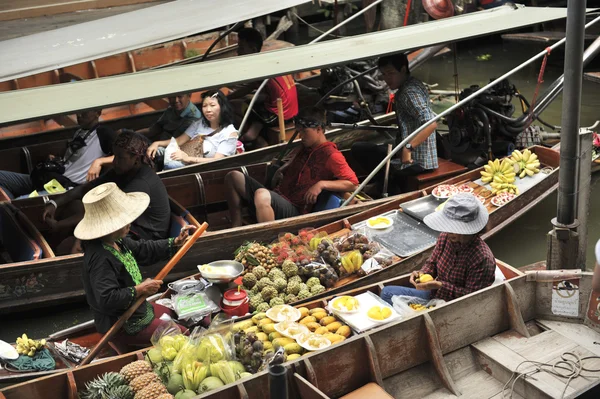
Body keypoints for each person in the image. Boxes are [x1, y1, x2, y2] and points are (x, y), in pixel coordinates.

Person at [75, 182, 193, 345]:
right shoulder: (100, 257)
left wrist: (175, 242)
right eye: (123, 221)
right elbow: (107, 298)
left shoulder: (119, 241)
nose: (129, 224)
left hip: (138, 308)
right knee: (181, 333)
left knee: (181, 311)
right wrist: (140, 289)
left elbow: (144, 249)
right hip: (122, 324)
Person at [224, 107, 358, 227]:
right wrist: (281, 169)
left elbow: (352, 183)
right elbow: (292, 163)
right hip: (279, 194)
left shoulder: (331, 155)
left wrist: (321, 184)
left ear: (319, 129)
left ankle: (269, 241)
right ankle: (236, 227)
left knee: (261, 195)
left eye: (304, 132)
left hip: (295, 209)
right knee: (233, 176)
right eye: (299, 131)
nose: (301, 136)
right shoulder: (305, 147)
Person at [43, 131, 171, 252]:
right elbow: (85, 188)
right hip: (125, 226)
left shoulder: (141, 183)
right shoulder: (121, 170)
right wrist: (54, 204)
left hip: (145, 237)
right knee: (75, 206)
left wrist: (63, 227)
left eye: (120, 158)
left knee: (84, 244)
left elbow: (107, 217)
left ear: (136, 159)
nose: (114, 162)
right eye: (114, 156)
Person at [380, 193, 495, 305]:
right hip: (435, 294)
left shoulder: (482, 259)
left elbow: (473, 298)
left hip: (456, 306)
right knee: (386, 293)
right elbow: (432, 263)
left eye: (455, 228)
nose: (449, 231)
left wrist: (440, 285)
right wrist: (422, 274)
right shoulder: (445, 237)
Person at [351, 53, 438, 194]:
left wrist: (408, 148)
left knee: (359, 149)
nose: (387, 78)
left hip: (417, 161)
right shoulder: (413, 83)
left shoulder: (409, 92)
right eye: (384, 74)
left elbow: (431, 123)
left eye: (391, 73)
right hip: (416, 152)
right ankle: (384, 184)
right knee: (376, 148)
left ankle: (390, 190)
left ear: (403, 69)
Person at [0, 110, 116, 199]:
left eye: (84, 112)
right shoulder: (80, 131)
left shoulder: (104, 133)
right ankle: (11, 203)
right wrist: (57, 160)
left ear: (98, 113)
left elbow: (123, 154)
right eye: (78, 112)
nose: (79, 115)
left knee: (17, 203)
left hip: (65, 187)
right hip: (51, 178)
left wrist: (99, 161)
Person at [227, 28, 299, 149]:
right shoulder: (267, 60)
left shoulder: (257, 67)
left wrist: (226, 98)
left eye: (241, 47)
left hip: (279, 114)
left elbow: (248, 88)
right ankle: (257, 127)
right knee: (253, 101)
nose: (238, 52)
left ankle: (253, 137)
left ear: (253, 50)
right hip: (292, 110)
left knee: (235, 106)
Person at [147, 90, 239, 170]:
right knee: (154, 152)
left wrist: (188, 159)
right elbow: (179, 140)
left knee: (171, 165)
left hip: (203, 168)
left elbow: (218, 160)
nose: (208, 110)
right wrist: (157, 143)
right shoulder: (200, 123)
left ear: (222, 107)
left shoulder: (229, 133)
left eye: (212, 105)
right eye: (205, 106)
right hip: (185, 158)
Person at [134, 93, 201, 141]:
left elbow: (176, 142)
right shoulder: (171, 109)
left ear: (189, 96)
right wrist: (131, 134)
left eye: (180, 96)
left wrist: (154, 145)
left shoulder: (193, 117)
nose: (175, 100)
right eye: (172, 97)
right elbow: (153, 130)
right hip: (161, 142)